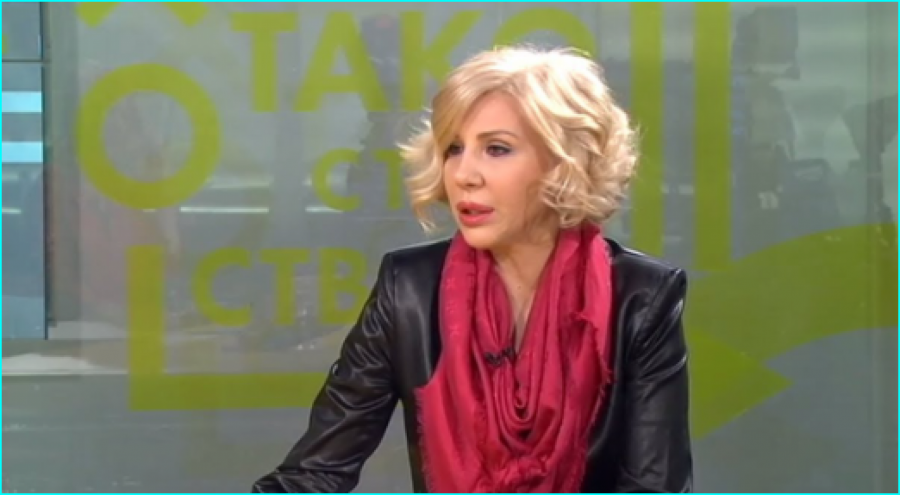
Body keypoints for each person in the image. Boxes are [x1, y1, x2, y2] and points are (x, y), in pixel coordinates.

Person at [253, 46, 692, 493]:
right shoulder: (409, 289)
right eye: (453, 149)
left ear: (565, 164)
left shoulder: (641, 297)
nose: (463, 175)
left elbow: (656, 487)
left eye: (496, 149)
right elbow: (314, 473)